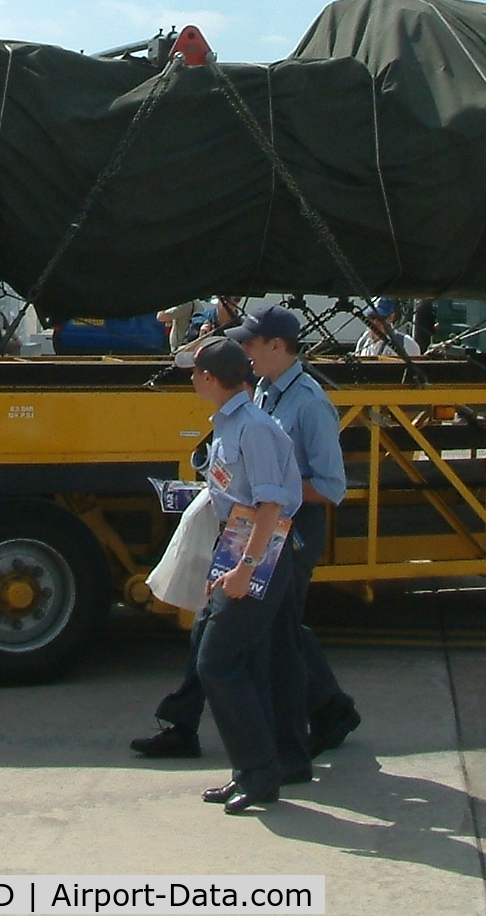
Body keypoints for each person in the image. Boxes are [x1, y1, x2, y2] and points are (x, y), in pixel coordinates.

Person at [178, 336, 306, 813]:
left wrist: (243, 571)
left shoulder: (253, 429)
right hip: (239, 549)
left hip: (262, 556)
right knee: (244, 664)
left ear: (210, 379)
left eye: (195, 373)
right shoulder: (230, 424)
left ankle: (260, 771)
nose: (191, 379)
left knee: (217, 662)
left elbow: (270, 506)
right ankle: (250, 772)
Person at [232, 305, 361, 754]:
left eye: (251, 343)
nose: (244, 351)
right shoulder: (265, 391)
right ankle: (329, 711)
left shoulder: (309, 403)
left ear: (277, 346)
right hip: (270, 521)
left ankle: (327, 712)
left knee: (280, 628)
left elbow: (331, 486)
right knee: (279, 627)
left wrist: (275, 489)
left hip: (296, 526)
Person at [354, 299, 422, 358]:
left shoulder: (407, 344)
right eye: (371, 317)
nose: (375, 322)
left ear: (391, 318)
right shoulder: (362, 342)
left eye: (380, 317)